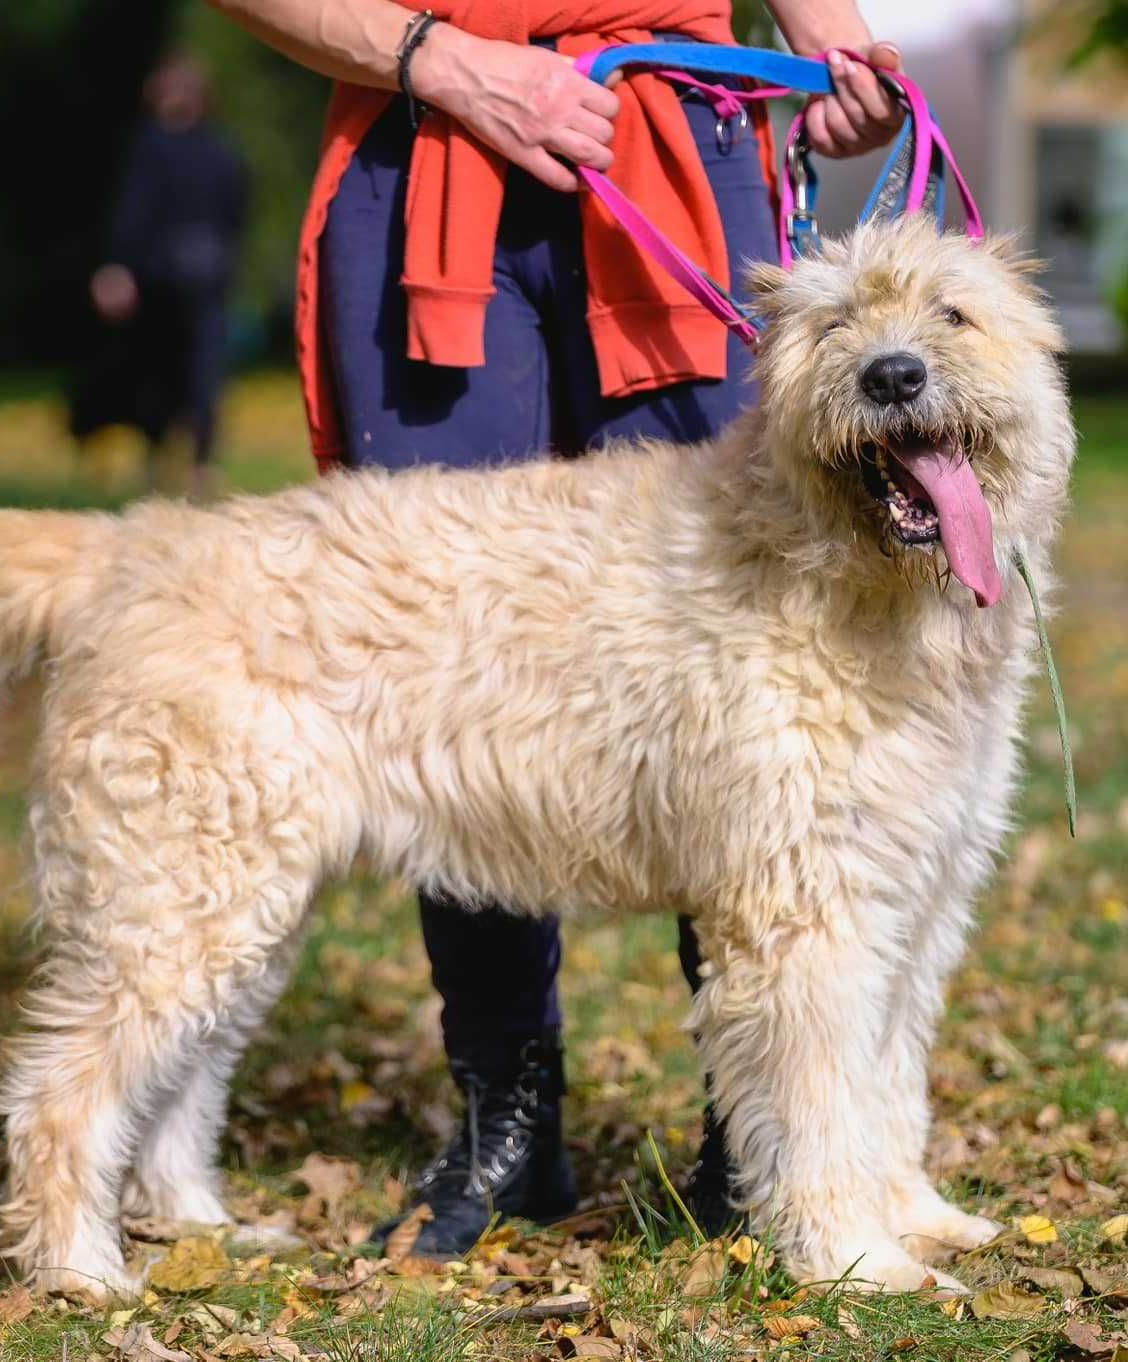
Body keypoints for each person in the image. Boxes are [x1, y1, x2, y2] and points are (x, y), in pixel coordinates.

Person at [209, 0, 908, 1255]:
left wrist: (838, 49)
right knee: (447, 650)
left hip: (671, 140)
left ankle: (754, 1126)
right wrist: (445, 62)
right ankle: (507, 1110)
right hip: (421, 144)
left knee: (739, 652)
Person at [77, 56, 249, 502]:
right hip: (179, 281)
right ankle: (177, 461)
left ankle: (185, 463)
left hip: (186, 281)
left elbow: (135, 215)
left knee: (186, 373)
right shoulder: (197, 148)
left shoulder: (179, 149)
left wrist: (117, 266)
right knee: (175, 373)